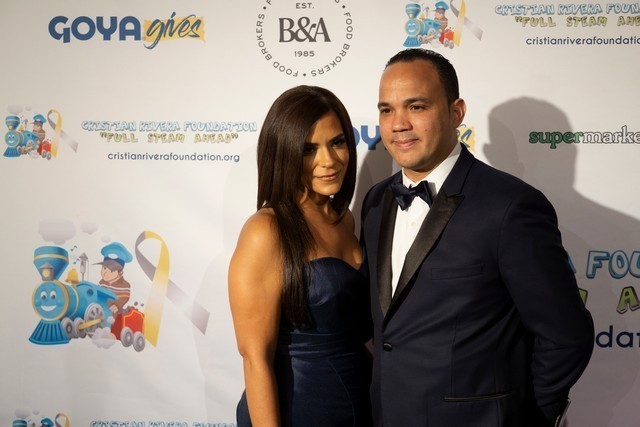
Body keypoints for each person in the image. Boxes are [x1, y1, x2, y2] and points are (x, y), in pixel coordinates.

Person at [359, 48, 594, 427]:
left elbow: (567, 334)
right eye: (387, 110)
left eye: (416, 106)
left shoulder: (509, 206)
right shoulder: (375, 201)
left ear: (456, 112)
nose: (398, 123)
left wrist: (523, 417)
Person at [229, 85, 372, 426]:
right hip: (298, 408)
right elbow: (255, 359)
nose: (329, 161)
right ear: (284, 154)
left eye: (337, 142)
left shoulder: (344, 219)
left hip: (358, 399)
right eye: (309, 149)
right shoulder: (266, 230)